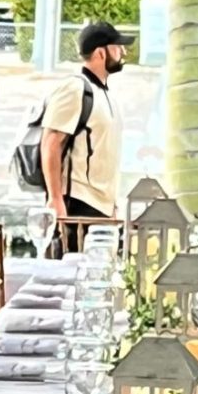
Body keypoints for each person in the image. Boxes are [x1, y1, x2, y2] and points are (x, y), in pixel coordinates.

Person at [41, 20, 130, 249]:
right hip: (78, 204)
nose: (123, 52)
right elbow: (51, 143)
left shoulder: (105, 94)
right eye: (117, 47)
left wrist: (111, 206)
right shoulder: (75, 88)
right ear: (101, 52)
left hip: (101, 208)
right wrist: (55, 198)